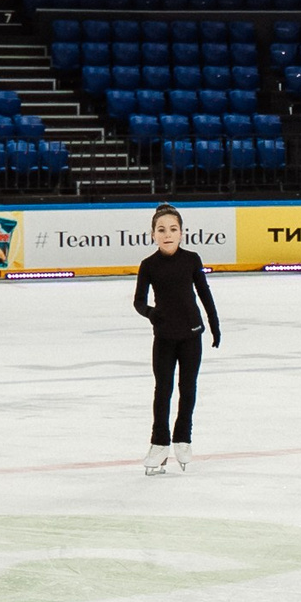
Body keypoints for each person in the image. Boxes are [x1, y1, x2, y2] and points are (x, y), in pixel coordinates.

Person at [134, 202, 220, 474]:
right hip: (164, 337)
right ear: (153, 234)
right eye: (161, 230)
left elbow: (204, 294)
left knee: (188, 387)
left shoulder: (191, 259)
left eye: (173, 229)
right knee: (163, 389)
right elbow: (138, 301)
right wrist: (151, 313)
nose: (167, 234)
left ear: (182, 232)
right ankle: (159, 443)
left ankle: (183, 438)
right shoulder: (148, 265)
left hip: (191, 334)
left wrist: (214, 324)